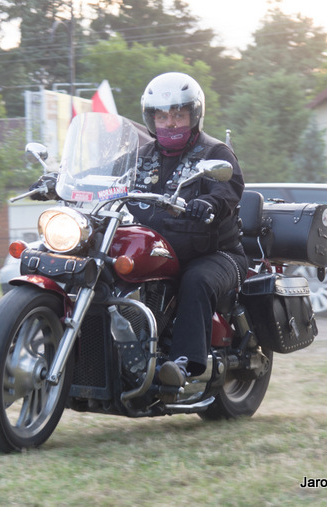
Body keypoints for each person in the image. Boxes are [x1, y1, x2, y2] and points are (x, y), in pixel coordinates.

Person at [129, 72, 248, 386]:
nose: (169, 123)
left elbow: (229, 190)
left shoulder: (215, 153)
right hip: (158, 250)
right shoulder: (140, 157)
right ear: (151, 119)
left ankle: (183, 365)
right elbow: (107, 176)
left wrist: (208, 202)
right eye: (162, 116)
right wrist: (60, 180)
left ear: (194, 116)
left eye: (178, 115)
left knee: (196, 280)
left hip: (216, 253)